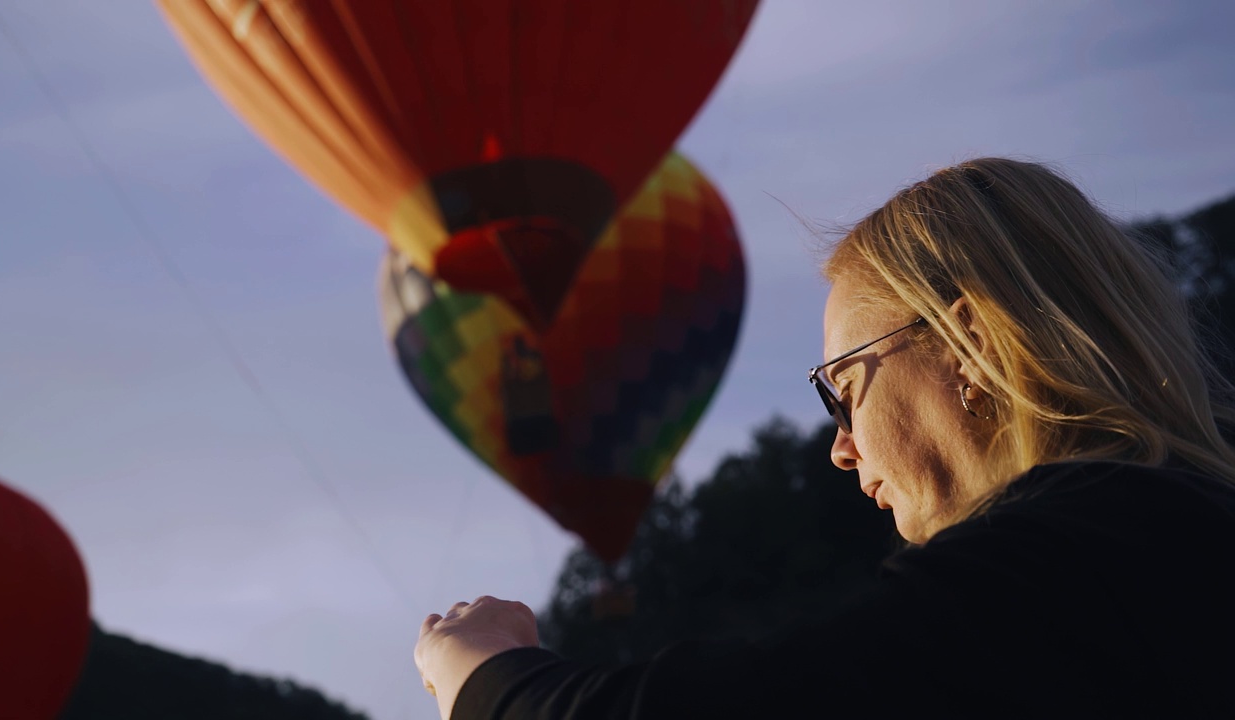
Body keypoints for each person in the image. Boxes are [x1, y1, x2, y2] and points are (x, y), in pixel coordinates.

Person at [413, 157, 1235, 718]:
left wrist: (485, 675)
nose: (841, 449)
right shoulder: (1169, 540)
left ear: (972, 347)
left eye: (842, 390)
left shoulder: (1065, 567)